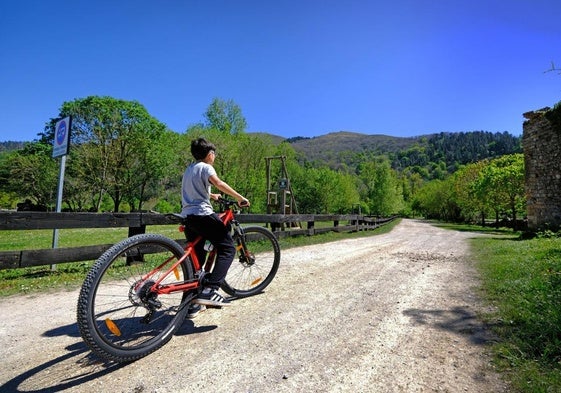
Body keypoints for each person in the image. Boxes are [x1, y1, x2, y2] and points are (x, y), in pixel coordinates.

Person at [181, 137, 249, 315]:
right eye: (214, 154)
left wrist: (212, 196)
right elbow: (218, 182)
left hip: (189, 218)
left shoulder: (189, 170)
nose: (215, 157)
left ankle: (189, 304)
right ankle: (211, 289)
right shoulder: (207, 167)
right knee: (228, 248)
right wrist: (239, 197)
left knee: (197, 259)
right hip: (203, 215)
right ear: (210, 154)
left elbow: (196, 191)